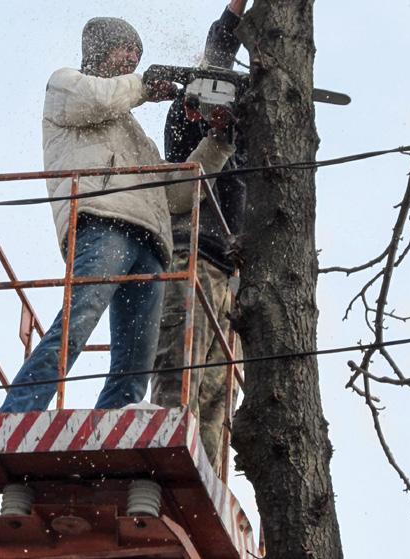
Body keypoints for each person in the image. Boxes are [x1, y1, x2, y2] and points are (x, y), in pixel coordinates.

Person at [0, 17, 236, 413]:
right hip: (104, 223)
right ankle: (19, 410)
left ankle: (115, 423)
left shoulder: (135, 136)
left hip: (151, 242)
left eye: (137, 54)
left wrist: (218, 141)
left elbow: (176, 194)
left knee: (135, 363)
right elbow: (98, 99)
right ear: (100, 49)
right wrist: (144, 86)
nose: (132, 58)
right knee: (77, 323)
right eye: (125, 48)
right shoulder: (66, 86)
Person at [151, 0, 248, 471]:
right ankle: (166, 464)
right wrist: (236, 11)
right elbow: (218, 52)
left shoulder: (244, 134)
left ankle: (206, 479)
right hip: (191, 254)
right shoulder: (189, 113)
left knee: (216, 394)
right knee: (180, 375)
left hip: (231, 277)